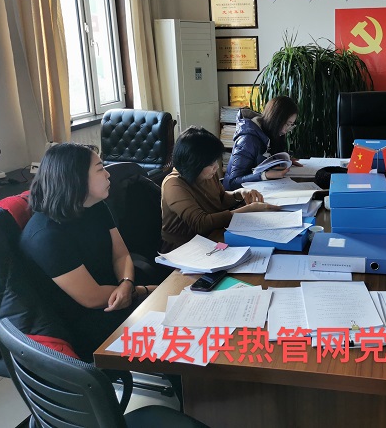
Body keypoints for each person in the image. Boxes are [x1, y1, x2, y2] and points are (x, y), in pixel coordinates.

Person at [19, 143, 156, 360]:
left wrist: (127, 282)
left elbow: (121, 254)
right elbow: (91, 298)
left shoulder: (94, 205)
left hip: (119, 293)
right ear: (75, 178)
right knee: (172, 334)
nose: (108, 174)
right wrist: (142, 291)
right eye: (100, 169)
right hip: (87, 321)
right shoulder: (46, 235)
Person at [161, 127, 280, 252]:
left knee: (261, 248)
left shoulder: (206, 173)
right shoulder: (173, 184)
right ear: (193, 163)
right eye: (210, 163)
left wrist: (240, 193)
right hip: (184, 248)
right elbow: (201, 223)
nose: (216, 167)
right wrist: (247, 210)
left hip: (211, 237)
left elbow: (220, 199)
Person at [223, 95, 300, 190]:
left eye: (291, 125)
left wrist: (284, 161)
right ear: (276, 120)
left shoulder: (272, 133)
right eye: (287, 124)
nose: (286, 130)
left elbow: (265, 161)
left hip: (260, 190)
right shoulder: (247, 140)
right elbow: (233, 182)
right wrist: (264, 175)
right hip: (237, 195)